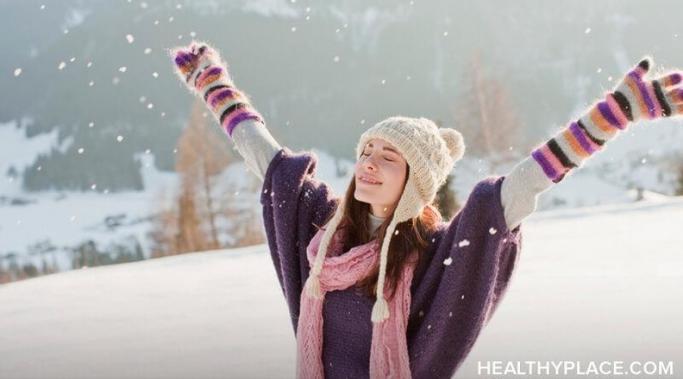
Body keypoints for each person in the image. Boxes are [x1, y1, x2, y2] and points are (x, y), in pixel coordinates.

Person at [171, 42, 683, 379]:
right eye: (366, 153)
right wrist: (215, 87)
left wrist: (613, 116)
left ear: (415, 182)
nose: (367, 166)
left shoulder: (435, 256)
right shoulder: (325, 234)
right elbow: (270, 161)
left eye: (387, 158)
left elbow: (518, 188)